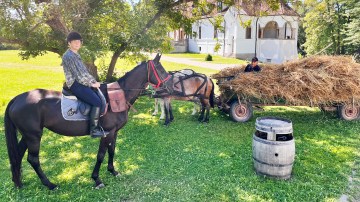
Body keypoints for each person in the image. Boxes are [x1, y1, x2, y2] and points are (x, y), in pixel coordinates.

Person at [62, 31, 109, 138]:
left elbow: (84, 72)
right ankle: (94, 130)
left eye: (79, 41)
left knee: (98, 96)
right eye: (74, 42)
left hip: (80, 82)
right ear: (69, 43)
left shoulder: (75, 54)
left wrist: (93, 81)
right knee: (97, 102)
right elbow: (79, 75)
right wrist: (91, 84)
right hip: (75, 84)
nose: (77, 43)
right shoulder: (69, 56)